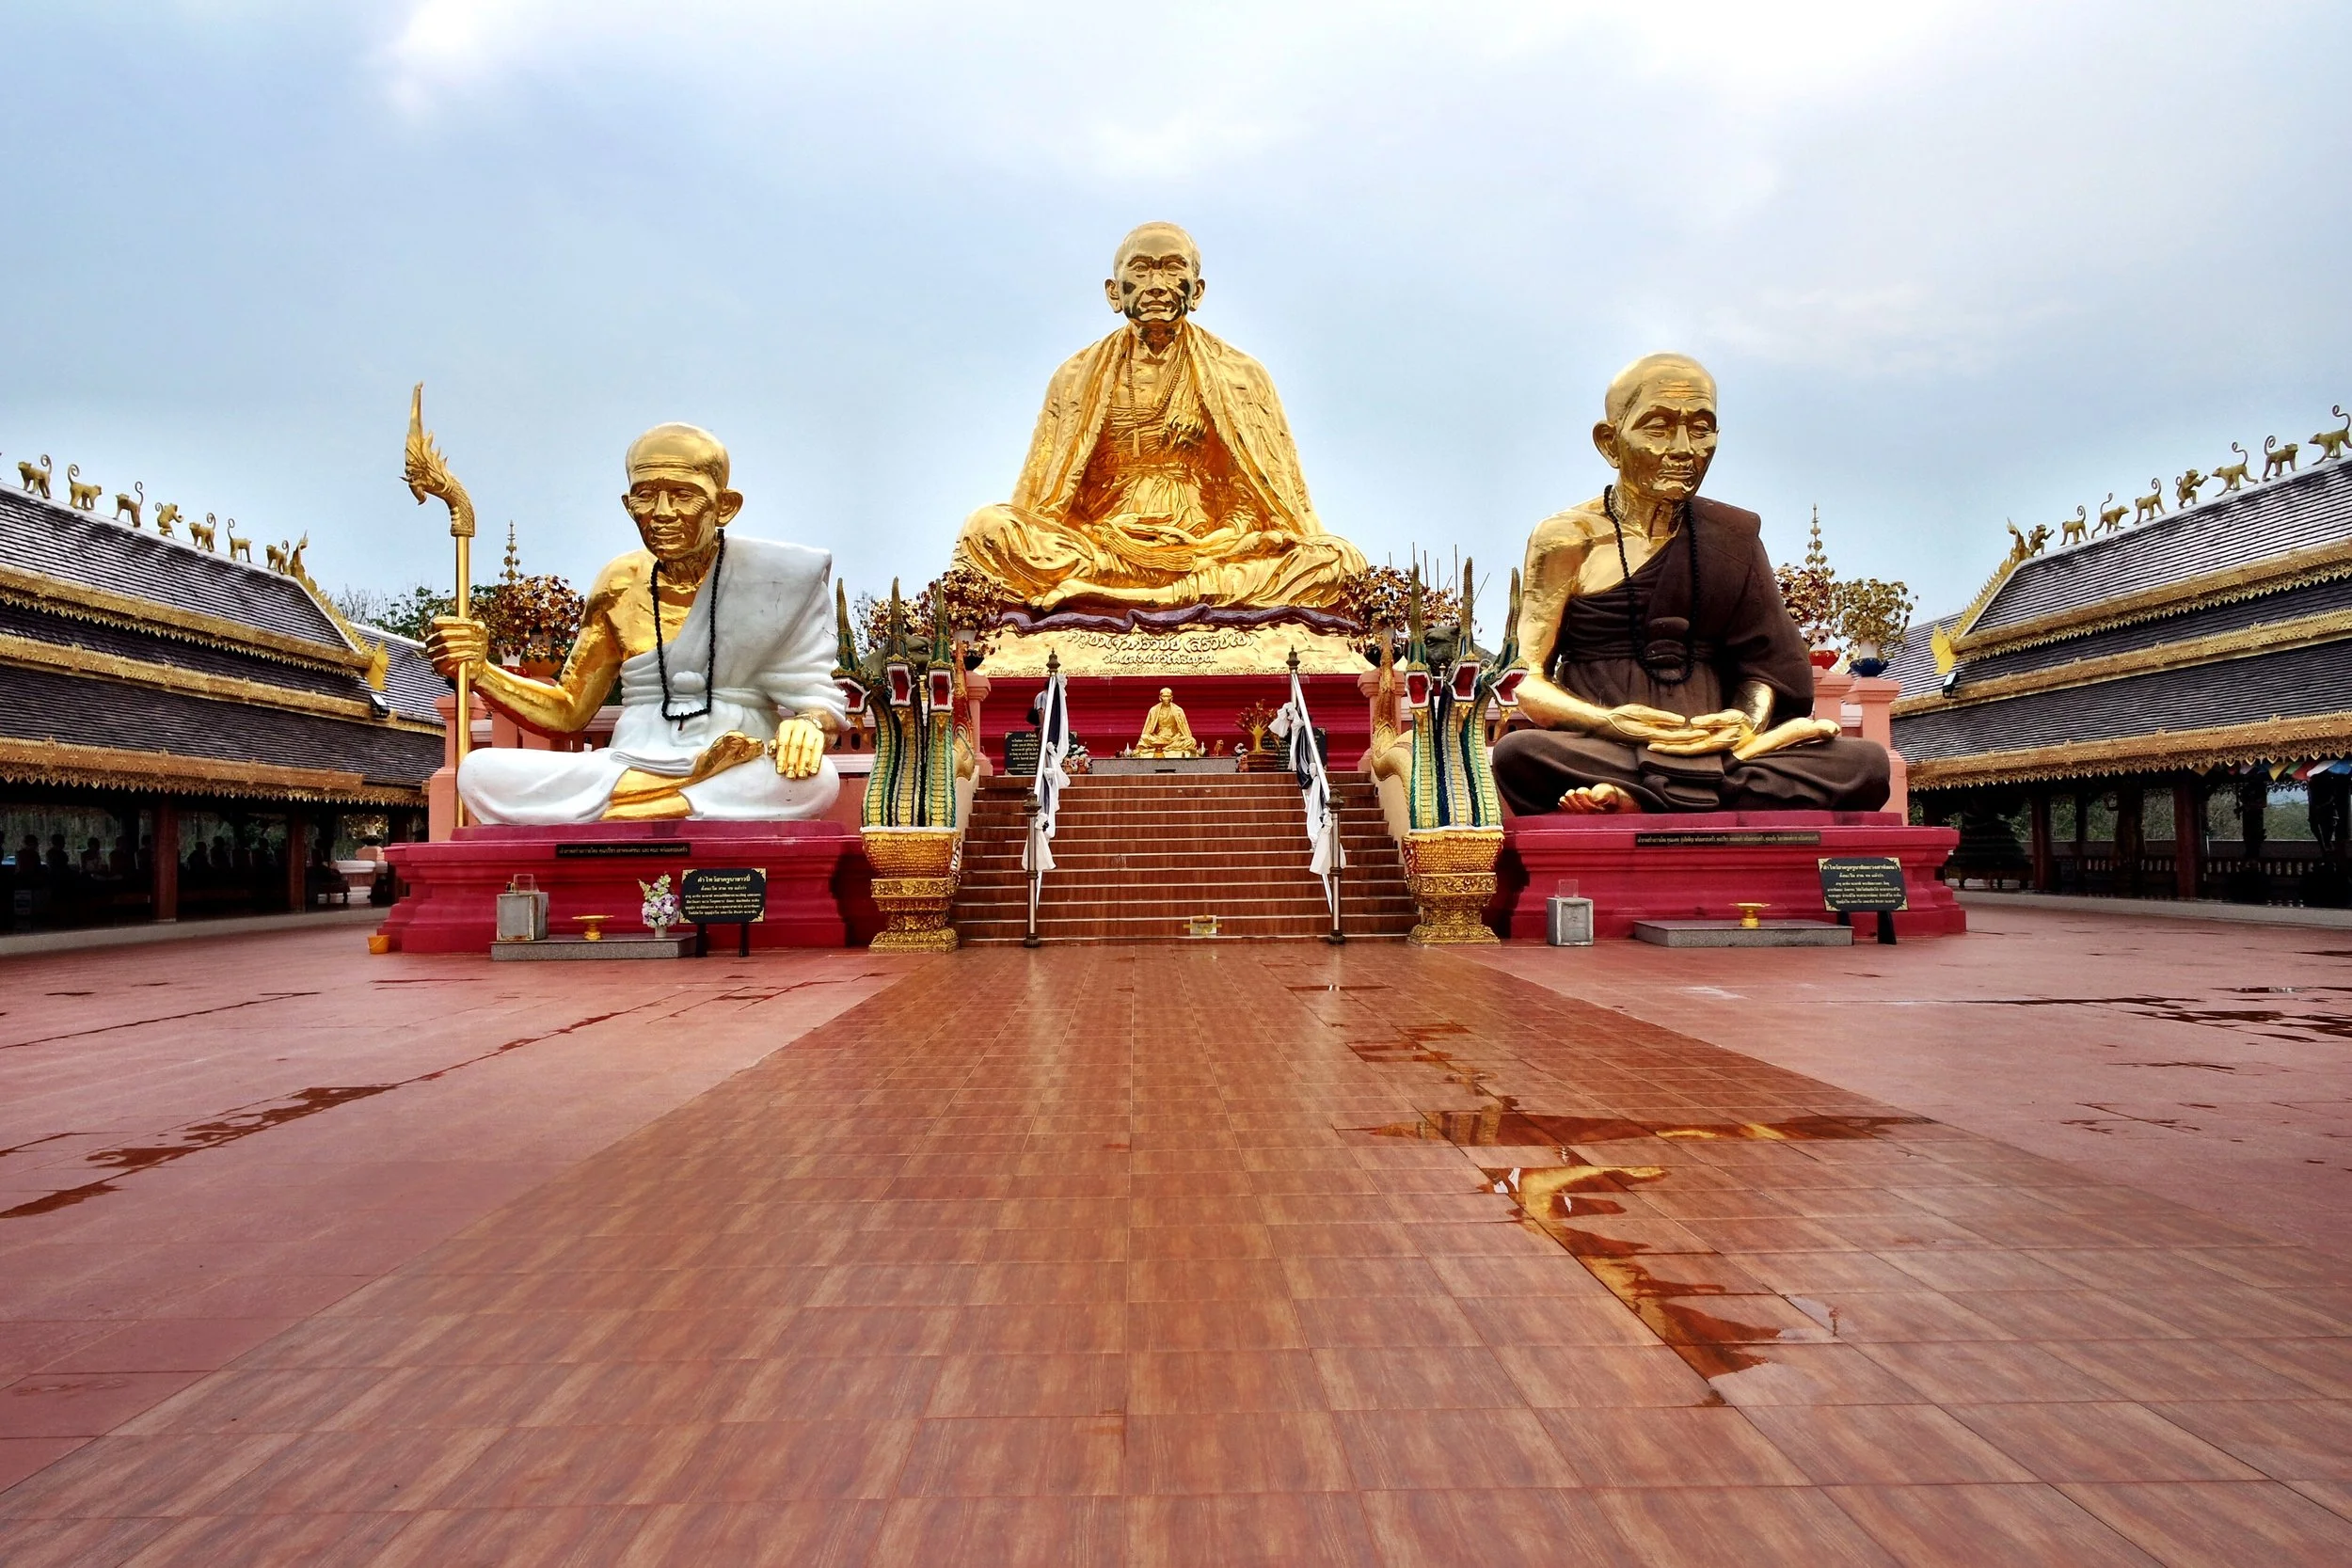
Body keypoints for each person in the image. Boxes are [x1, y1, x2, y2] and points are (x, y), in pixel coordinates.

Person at [1491, 354, 1888, 816]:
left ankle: (1643, 795)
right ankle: (1680, 789)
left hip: (1720, 745)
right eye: (1658, 427)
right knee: (1519, 755)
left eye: (1701, 428)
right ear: (1610, 443)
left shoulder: (1732, 535)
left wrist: (1743, 722)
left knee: (1866, 765)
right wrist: (1617, 724)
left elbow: (1767, 669)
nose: (1684, 448)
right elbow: (1524, 679)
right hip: (1603, 743)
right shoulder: (1565, 539)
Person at [426, 423, 845, 823]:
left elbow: (820, 701)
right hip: (633, 760)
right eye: (645, 495)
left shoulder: (779, 578)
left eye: (683, 495)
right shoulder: (620, 582)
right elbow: (568, 711)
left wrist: (808, 725)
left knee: (814, 782)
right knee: (479, 772)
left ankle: (622, 808)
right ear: (629, 505)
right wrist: (480, 671)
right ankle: (683, 793)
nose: (661, 513)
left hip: (740, 758)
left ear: (725, 506)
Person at [952, 223, 1365, 614]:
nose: (1155, 284)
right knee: (987, 528)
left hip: (1206, 548)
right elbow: (1050, 501)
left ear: (1197, 291)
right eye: (1141, 269)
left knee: (1339, 562)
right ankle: (1145, 588)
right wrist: (1103, 536)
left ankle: (1123, 594)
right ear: (1114, 293)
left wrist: (1216, 541)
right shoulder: (1075, 376)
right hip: (1103, 544)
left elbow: (1259, 498)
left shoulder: (1241, 374)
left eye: (1171, 268)